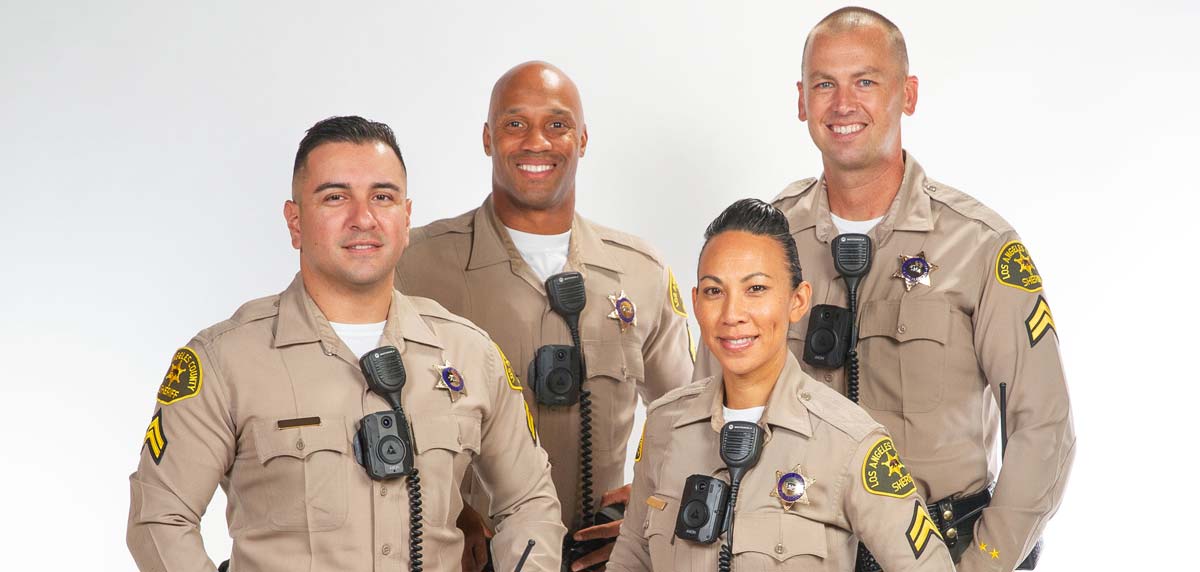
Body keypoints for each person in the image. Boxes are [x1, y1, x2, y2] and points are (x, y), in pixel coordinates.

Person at [697, 7, 1075, 571]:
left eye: (866, 81)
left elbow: (1044, 426)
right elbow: (709, 398)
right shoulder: (763, 242)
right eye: (825, 84)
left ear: (908, 94)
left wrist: (986, 563)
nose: (843, 104)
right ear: (802, 101)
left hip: (939, 548)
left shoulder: (979, 246)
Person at [126, 116, 565, 571]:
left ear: (407, 217)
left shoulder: (472, 355)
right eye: (335, 197)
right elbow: (159, 518)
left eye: (383, 197)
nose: (364, 218)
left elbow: (530, 502)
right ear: (295, 221)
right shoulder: (224, 361)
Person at [397, 61, 695, 571]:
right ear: (488, 138)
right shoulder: (415, 264)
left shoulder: (638, 271)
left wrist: (653, 512)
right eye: (515, 123)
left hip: (599, 558)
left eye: (556, 124)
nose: (537, 141)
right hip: (470, 556)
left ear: (581, 139)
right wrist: (449, 511)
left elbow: (694, 415)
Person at [607, 199, 956, 571]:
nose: (732, 315)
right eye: (714, 291)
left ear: (798, 300)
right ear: (695, 303)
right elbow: (632, 557)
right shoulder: (665, 425)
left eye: (755, 288)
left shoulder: (851, 442)